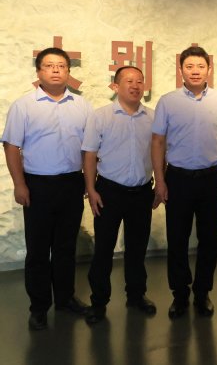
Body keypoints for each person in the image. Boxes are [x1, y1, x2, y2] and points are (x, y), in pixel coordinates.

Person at [2, 47, 92, 330]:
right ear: (39, 72)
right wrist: (20, 184)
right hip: (37, 184)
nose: (55, 70)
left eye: (61, 66)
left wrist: (89, 182)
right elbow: (11, 146)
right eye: (49, 65)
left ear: (68, 72)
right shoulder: (24, 105)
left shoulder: (82, 106)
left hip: (72, 183)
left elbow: (90, 149)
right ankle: (39, 306)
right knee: (38, 249)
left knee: (66, 247)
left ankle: (65, 299)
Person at [151, 46, 217, 319]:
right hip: (177, 178)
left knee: (209, 239)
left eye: (200, 66)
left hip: (211, 178)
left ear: (208, 69)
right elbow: (157, 142)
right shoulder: (168, 102)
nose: (195, 71)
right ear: (181, 70)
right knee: (177, 239)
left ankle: (202, 292)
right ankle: (179, 294)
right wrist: (160, 180)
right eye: (189, 66)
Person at [81, 66, 157, 325]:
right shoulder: (100, 116)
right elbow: (89, 154)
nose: (135, 86)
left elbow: (160, 152)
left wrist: (160, 183)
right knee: (104, 249)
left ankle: (136, 295)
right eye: (129, 81)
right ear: (115, 86)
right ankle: (98, 301)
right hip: (109, 192)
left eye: (140, 81)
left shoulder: (153, 117)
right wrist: (91, 189)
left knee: (137, 248)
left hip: (142, 191)